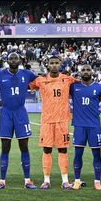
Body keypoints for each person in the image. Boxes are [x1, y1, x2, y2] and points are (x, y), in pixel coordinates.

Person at [0, 53, 37, 189]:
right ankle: (2, 181)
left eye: (16, 58)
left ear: (20, 60)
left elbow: (40, 82)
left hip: (21, 112)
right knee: (5, 147)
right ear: (7, 61)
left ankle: (27, 180)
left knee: (24, 146)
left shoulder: (27, 74)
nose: (14, 60)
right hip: (6, 113)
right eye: (11, 58)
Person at [29, 56, 77, 189]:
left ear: (60, 64)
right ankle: (46, 180)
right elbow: (25, 85)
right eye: (52, 63)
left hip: (62, 121)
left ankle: (65, 181)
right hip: (47, 121)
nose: (54, 65)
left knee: (63, 149)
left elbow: (83, 85)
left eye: (57, 63)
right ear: (48, 65)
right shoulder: (41, 80)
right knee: (47, 149)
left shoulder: (68, 79)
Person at [70, 64, 101, 191]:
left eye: (88, 69)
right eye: (83, 70)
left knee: (96, 155)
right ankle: (77, 180)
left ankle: (97, 181)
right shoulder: (73, 87)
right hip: (79, 126)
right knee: (78, 154)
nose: (86, 71)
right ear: (80, 73)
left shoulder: (99, 87)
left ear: (92, 72)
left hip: (94, 126)